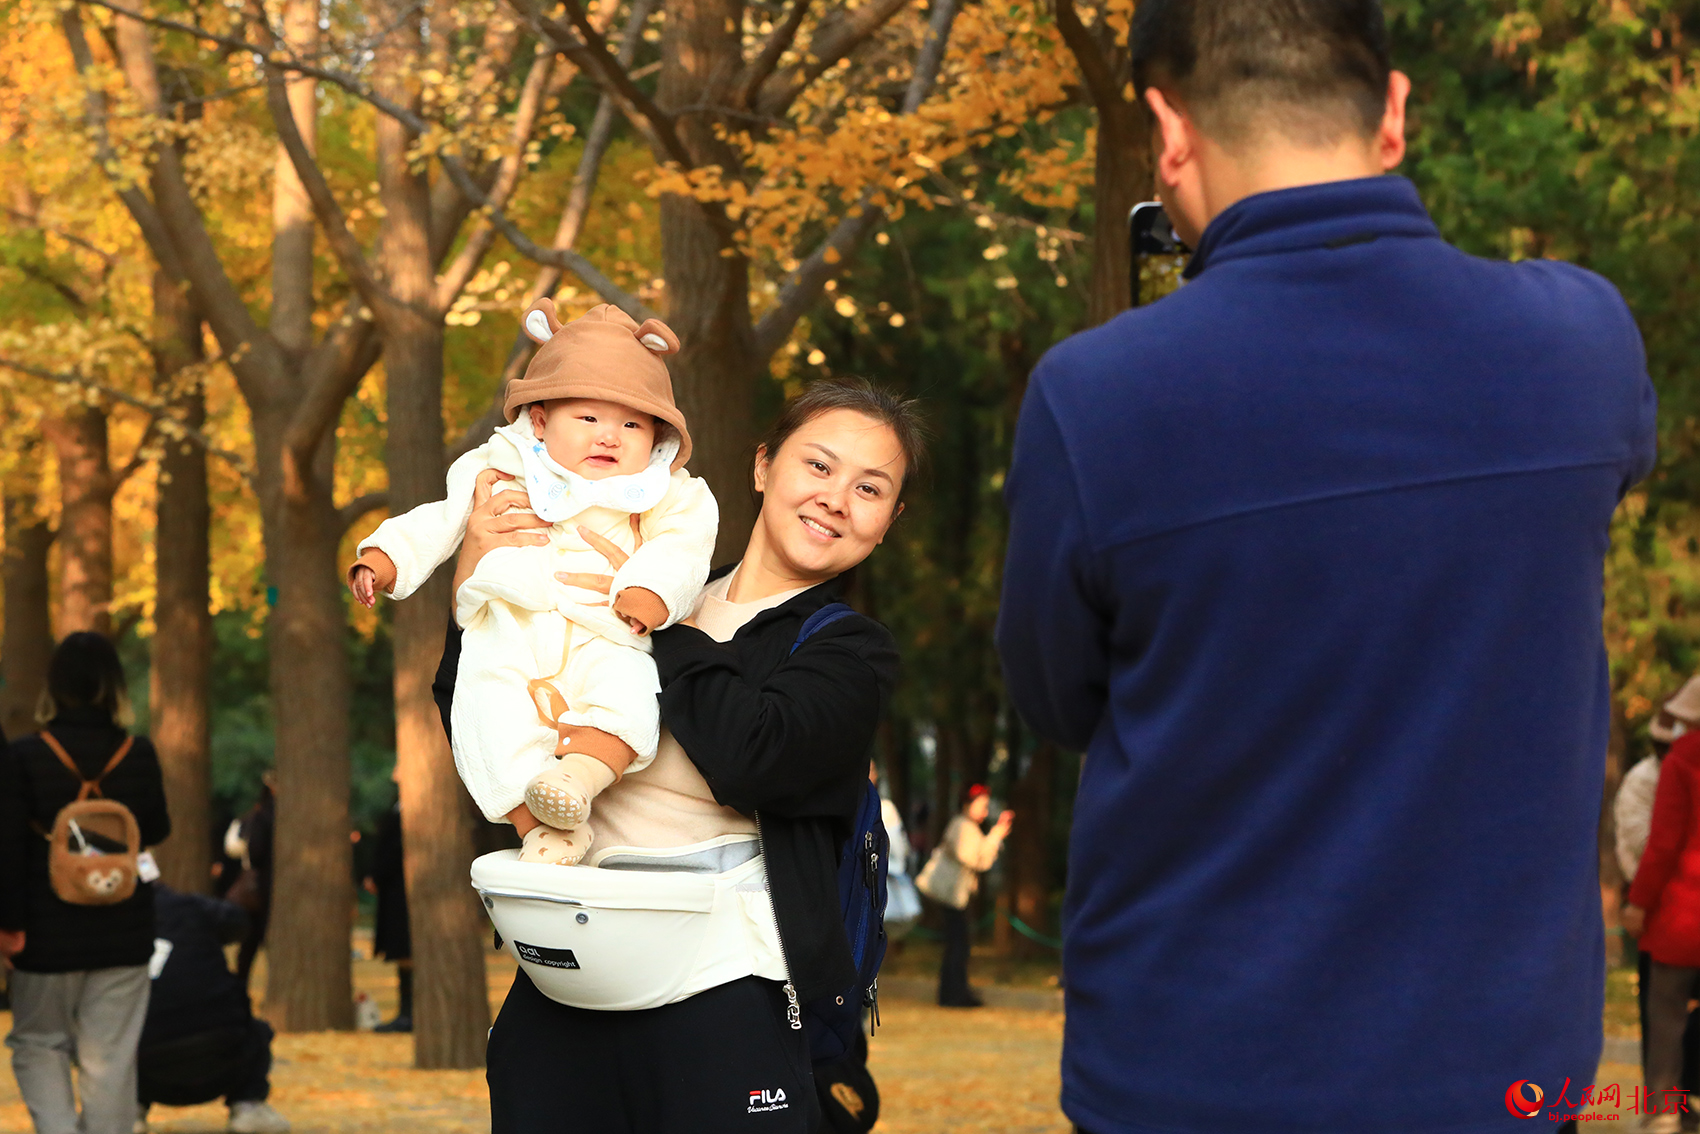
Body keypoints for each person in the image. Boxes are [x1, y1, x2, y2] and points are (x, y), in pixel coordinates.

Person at [995, 1, 1658, 1131]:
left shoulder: (1094, 396)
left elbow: (1058, 700)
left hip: (1186, 1070)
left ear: (1168, 131)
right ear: (1391, 113)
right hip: (1500, 1076)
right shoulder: (1578, 340)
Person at [437, 377, 922, 1133]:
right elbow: (473, 712)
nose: (835, 497)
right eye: (818, 467)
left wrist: (651, 622)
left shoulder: (848, 651)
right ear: (763, 467)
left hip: (727, 997)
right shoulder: (628, 565)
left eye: (870, 487)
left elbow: (749, 758)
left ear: (889, 520)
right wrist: (475, 574)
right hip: (564, 983)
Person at [351, 300, 716, 867]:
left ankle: (579, 777)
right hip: (509, 624)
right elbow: (441, 517)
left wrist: (652, 588)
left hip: (606, 627)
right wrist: (385, 556)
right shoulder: (501, 463)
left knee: (630, 696)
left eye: (632, 424)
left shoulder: (666, 488)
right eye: (588, 418)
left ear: (658, 433)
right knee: (486, 718)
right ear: (541, 420)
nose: (610, 438)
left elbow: (685, 541)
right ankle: (544, 829)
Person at [0, 632, 172, 1134]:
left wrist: (9, 925)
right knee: (112, 1057)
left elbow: (7, 843)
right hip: (124, 930)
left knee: (39, 1043)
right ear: (113, 685)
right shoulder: (136, 753)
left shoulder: (26, 755)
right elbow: (157, 828)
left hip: (44, 933)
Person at [134, 885, 289, 1134]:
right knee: (257, 1031)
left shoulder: (111, 919)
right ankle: (248, 1105)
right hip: (223, 1056)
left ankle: (129, 1112)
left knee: (116, 1037)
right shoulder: (192, 908)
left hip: (143, 1067)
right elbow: (238, 925)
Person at [1619, 678, 1700, 1115]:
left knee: (1666, 1014)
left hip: (1684, 913)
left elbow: (1664, 843)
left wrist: (1639, 903)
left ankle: (1664, 1109)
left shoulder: (1683, 759)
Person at [915, 784, 1012, 1007]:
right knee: (958, 945)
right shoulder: (963, 827)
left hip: (953, 895)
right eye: (982, 805)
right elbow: (978, 860)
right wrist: (996, 836)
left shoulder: (965, 826)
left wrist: (994, 835)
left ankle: (952, 993)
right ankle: (954, 994)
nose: (985, 811)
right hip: (952, 895)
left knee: (957, 944)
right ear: (968, 804)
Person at [361, 795, 412, 1032]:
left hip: (402, 891)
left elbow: (394, 847)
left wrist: (377, 874)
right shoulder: (397, 805)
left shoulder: (408, 808)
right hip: (394, 889)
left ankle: (409, 1014)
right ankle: (406, 1012)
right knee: (403, 952)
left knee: (406, 950)